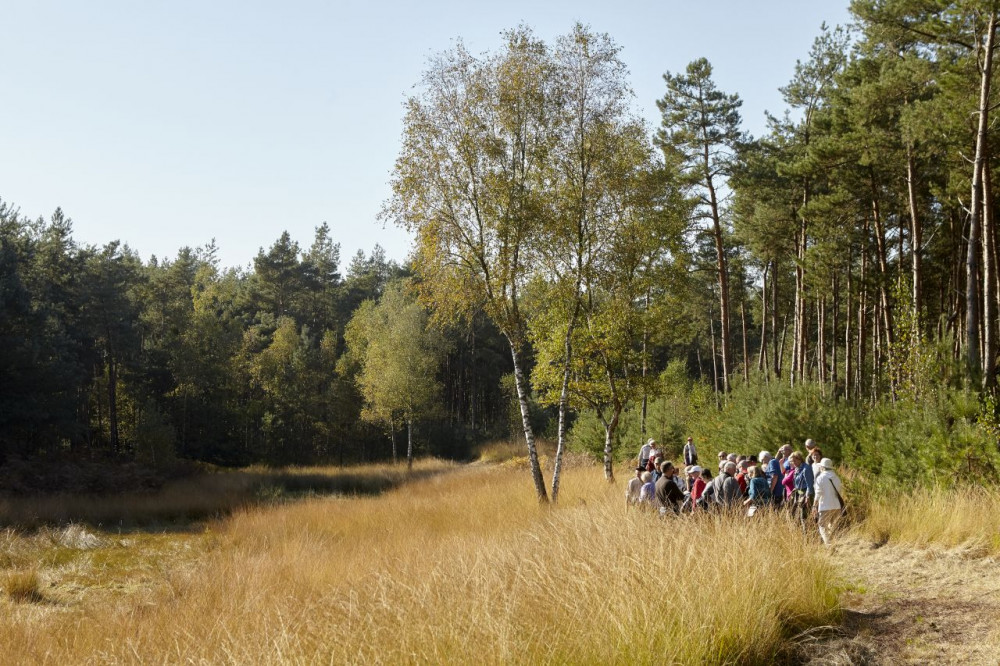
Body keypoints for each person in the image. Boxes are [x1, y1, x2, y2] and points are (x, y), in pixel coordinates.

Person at [813, 458, 845, 546]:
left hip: (824, 506)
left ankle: (829, 545)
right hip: (836, 505)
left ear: (822, 467)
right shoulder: (837, 478)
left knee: (822, 526)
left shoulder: (820, 478)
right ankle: (834, 542)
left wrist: (814, 506)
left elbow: (818, 493)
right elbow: (840, 491)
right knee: (833, 526)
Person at [790, 451, 815, 531]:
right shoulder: (797, 469)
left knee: (804, 516)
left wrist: (807, 496)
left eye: (795, 461)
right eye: (792, 461)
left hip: (806, 495)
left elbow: (809, 484)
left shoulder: (806, 468)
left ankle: (808, 536)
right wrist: (795, 489)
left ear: (800, 459)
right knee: (796, 515)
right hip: (800, 494)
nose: (793, 463)